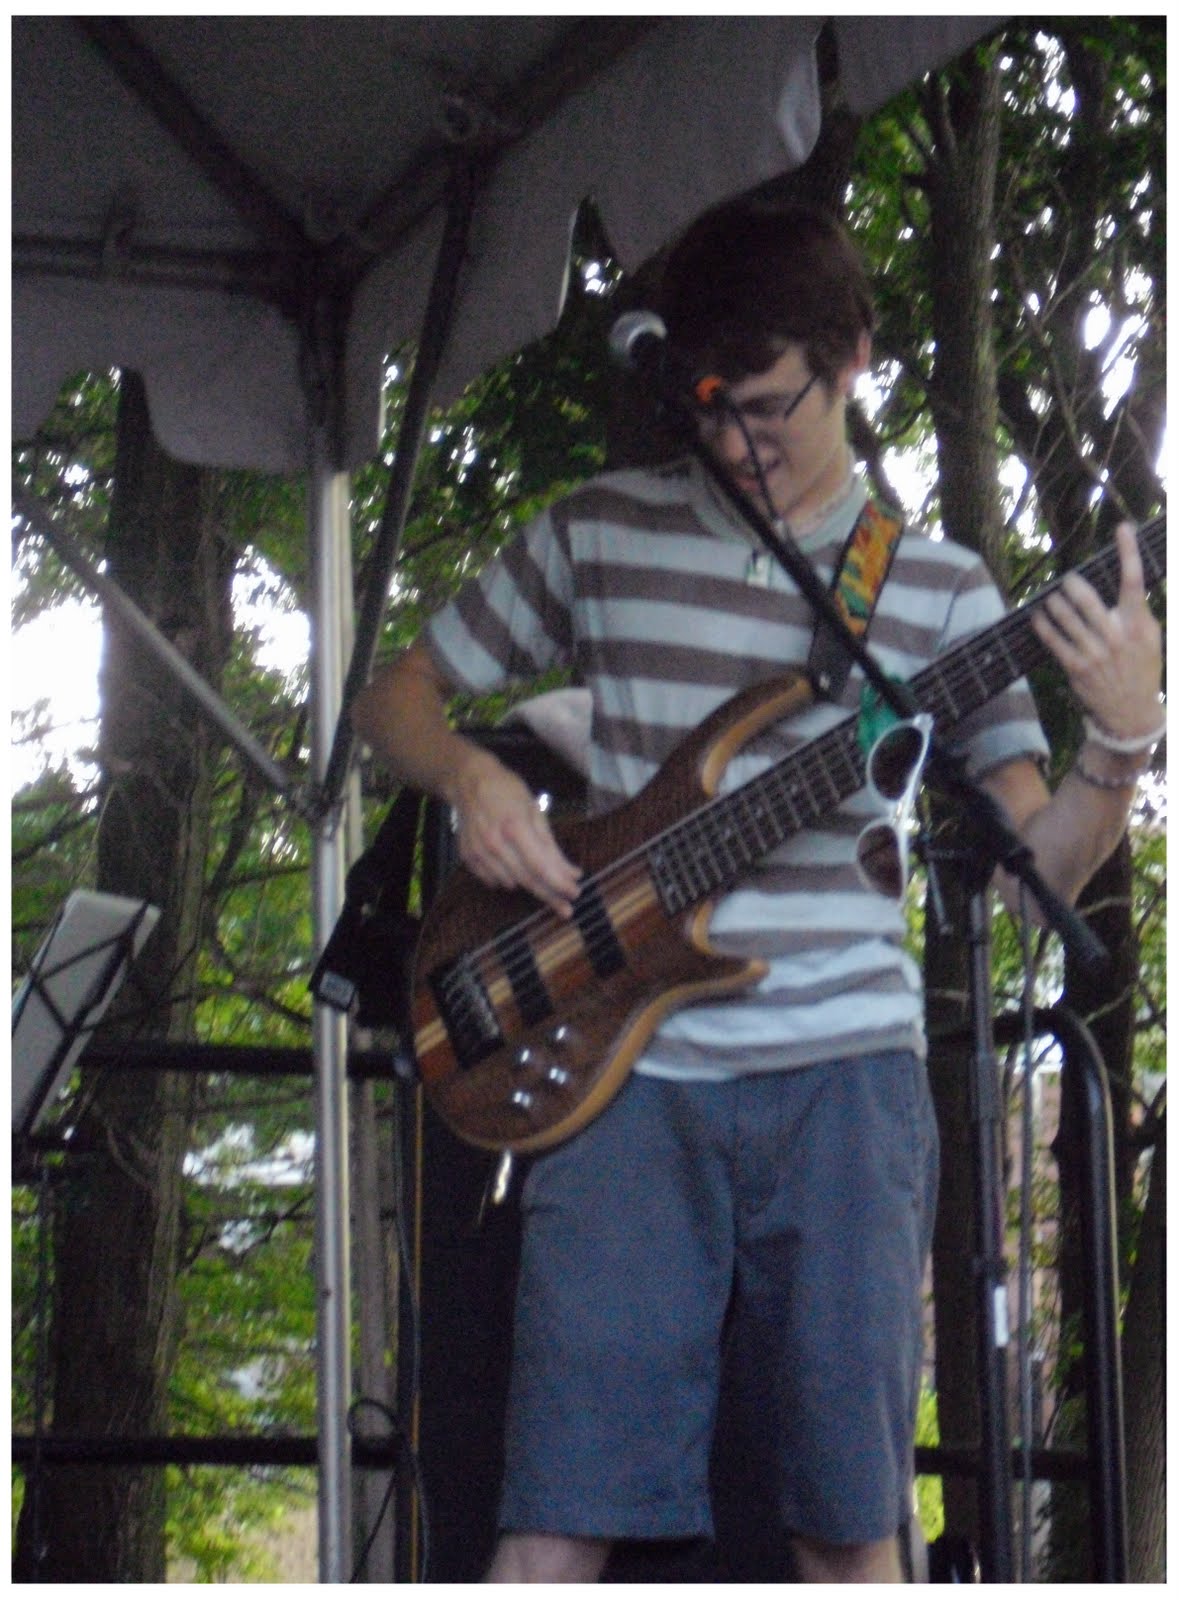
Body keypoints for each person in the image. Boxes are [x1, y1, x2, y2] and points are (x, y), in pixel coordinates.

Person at [352, 202, 1162, 1584]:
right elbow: (394, 698)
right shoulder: (600, 530)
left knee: (850, 1525)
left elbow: (1045, 878)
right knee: (550, 1521)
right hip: (621, 1074)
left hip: (846, 1083)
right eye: (710, 404)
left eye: (770, 405)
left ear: (853, 359)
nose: (736, 442)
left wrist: (1123, 742)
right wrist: (470, 781)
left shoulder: (940, 591)